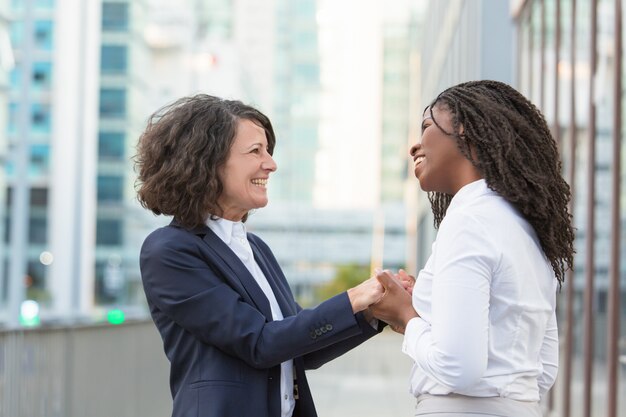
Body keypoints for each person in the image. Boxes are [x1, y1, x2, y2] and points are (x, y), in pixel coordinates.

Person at [134, 94, 385, 417]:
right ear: (207, 161)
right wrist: (353, 298)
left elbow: (299, 349)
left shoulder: (257, 250)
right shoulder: (168, 250)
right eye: (256, 151)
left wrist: (373, 312)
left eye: (268, 151)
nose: (271, 163)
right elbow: (259, 342)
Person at [370, 80, 575, 417]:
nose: (415, 147)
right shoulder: (528, 231)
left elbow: (458, 367)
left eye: (426, 127)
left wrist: (405, 315)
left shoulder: (468, 221)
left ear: (465, 132)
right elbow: (543, 369)